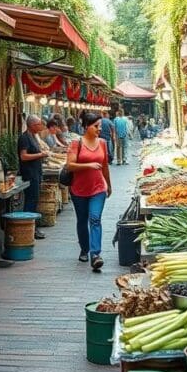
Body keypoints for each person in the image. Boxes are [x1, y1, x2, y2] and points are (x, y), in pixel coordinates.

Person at [66, 112, 111, 271]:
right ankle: (84, 249)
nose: (99, 129)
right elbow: (70, 165)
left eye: (100, 126)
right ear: (86, 126)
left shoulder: (103, 143)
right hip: (78, 189)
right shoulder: (76, 143)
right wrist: (89, 165)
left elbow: (105, 166)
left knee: (95, 219)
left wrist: (109, 185)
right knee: (82, 220)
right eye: (96, 126)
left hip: (98, 188)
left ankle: (95, 254)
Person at [18, 115, 48, 239]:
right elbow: (23, 156)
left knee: (34, 200)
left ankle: (32, 228)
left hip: (36, 172)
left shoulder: (34, 137)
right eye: (39, 124)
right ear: (32, 125)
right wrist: (41, 154)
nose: (41, 126)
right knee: (31, 201)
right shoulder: (24, 138)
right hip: (29, 174)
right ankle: (27, 229)